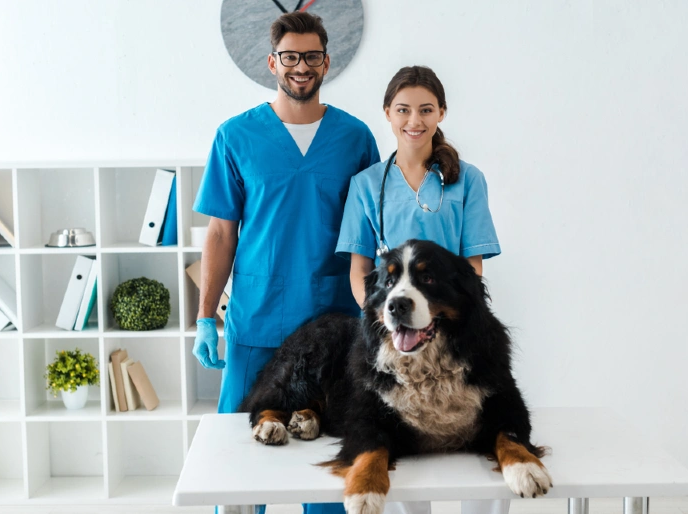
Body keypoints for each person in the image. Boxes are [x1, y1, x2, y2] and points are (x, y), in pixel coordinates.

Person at [191, 11, 380, 514]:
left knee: (325, 468)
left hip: (333, 325)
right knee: (237, 467)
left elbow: (369, 234)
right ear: (272, 62)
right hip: (258, 322)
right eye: (290, 56)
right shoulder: (236, 136)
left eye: (311, 56)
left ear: (326, 62)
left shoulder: (355, 138)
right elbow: (219, 232)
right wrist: (205, 316)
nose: (301, 66)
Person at [336, 65, 509, 514]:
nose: (415, 120)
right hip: (392, 324)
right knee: (404, 454)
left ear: (441, 113)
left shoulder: (466, 179)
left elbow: (471, 268)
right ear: (388, 115)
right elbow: (360, 272)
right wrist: (381, 323)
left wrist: (451, 318)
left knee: (476, 435)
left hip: (446, 327)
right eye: (404, 109)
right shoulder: (366, 185)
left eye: (426, 110)